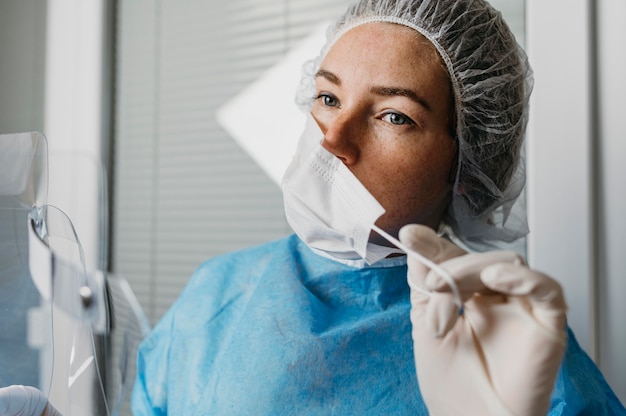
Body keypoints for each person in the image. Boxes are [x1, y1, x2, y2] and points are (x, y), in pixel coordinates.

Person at [132, 0, 625, 414]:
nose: (333, 141)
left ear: (468, 166)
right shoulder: (215, 292)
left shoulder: (512, 351)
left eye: (394, 116)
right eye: (328, 97)